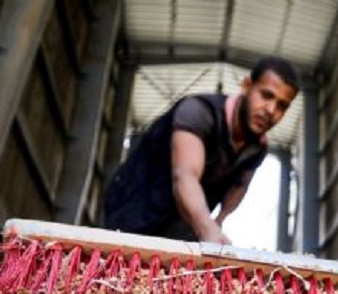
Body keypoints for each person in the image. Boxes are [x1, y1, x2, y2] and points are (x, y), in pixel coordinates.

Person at [103, 56, 300, 245]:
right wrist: (208, 230)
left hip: (182, 226)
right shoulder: (198, 111)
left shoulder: (258, 148)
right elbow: (185, 176)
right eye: (266, 95)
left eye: (282, 105)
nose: (271, 110)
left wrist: (219, 221)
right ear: (247, 85)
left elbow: (240, 186)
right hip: (134, 206)